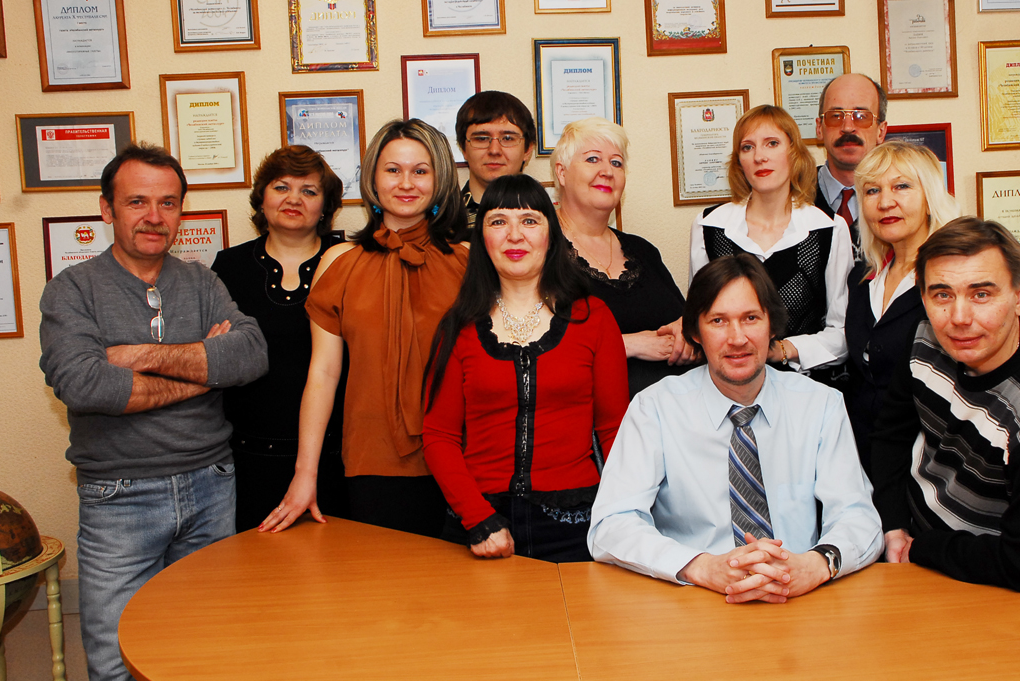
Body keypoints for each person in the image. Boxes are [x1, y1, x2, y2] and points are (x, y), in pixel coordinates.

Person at [39, 145, 268, 681]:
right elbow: (85, 384)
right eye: (137, 201)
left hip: (211, 485)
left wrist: (137, 357)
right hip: (119, 495)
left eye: (168, 203)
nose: (154, 216)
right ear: (107, 209)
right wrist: (204, 369)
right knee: (115, 657)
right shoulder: (71, 290)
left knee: (205, 650)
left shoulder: (202, 281)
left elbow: (250, 354)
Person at [589, 254, 882, 602]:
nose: (737, 338)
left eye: (751, 318)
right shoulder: (655, 409)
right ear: (695, 332)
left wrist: (817, 565)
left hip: (800, 597)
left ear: (772, 325)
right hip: (693, 599)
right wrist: (700, 567)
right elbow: (612, 524)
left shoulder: (820, 405)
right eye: (718, 321)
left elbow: (858, 517)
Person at [260, 119, 469, 537]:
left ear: (440, 179)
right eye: (393, 170)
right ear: (373, 178)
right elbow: (323, 373)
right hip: (371, 459)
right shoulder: (339, 261)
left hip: (462, 457)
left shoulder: (469, 260)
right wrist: (305, 474)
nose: (405, 183)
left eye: (420, 170)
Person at [871, 217, 1020, 592]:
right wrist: (893, 524)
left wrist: (924, 549)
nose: (959, 319)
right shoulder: (925, 337)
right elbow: (890, 437)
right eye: (942, 295)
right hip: (911, 545)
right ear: (923, 297)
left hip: (986, 575)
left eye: (981, 294)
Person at [423, 175, 629, 563]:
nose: (514, 235)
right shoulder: (458, 327)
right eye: (498, 221)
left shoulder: (594, 318)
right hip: (478, 523)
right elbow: (439, 436)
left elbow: (614, 428)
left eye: (529, 220)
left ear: (551, 235)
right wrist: (478, 519)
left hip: (575, 524)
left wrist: (623, 512)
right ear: (482, 238)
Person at [211, 146, 349, 532]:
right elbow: (215, 356)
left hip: (335, 459)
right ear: (262, 198)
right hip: (246, 460)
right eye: (281, 187)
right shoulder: (228, 267)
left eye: (309, 191)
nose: (293, 199)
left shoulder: (349, 263)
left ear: (326, 207)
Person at [689, 104, 851, 380]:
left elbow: (843, 333)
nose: (759, 157)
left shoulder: (829, 228)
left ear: (794, 153)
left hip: (802, 386)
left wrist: (781, 350)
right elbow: (700, 320)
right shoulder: (709, 226)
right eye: (748, 147)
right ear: (739, 161)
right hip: (727, 383)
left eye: (772, 143)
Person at [552, 117, 695, 398]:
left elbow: (683, 318)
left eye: (616, 163)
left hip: (679, 407)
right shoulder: (537, 249)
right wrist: (628, 344)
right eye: (592, 159)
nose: (607, 171)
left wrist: (688, 330)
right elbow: (528, 345)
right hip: (593, 416)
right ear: (562, 173)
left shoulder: (642, 250)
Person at [844, 141, 958, 467]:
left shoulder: (952, 279)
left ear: (929, 199)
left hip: (934, 465)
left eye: (901, 186)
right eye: (872, 191)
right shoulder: (861, 278)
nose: (885, 202)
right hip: (864, 461)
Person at [812, 73, 889, 253]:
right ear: (819, 128)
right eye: (835, 116)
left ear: (881, 131)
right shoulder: (791, 196)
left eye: (861, 116)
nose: (847, 127)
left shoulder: (898, 202)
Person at [455, 90, 537, 226]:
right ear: (463, 148)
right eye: (481, 138)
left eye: (508, 138)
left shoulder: (547, 221)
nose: (494, 150)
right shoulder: (442, 222)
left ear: (527, 150)